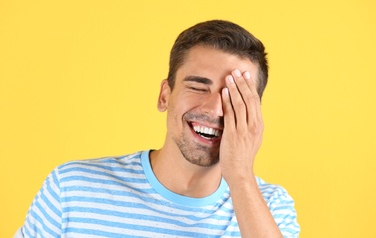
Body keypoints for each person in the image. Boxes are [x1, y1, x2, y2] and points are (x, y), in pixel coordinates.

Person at [15, 20, 300, 237]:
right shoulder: (70, 190)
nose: (214, 110)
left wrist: (240, 177)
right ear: (165, 95)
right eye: (198, 87)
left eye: (234, 97)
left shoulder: (271, 207)